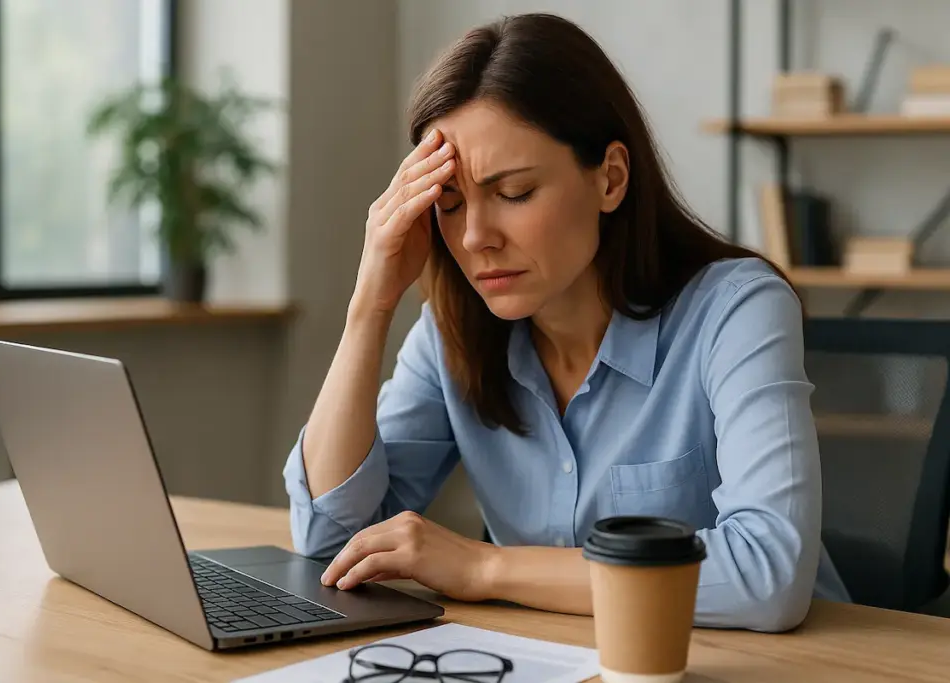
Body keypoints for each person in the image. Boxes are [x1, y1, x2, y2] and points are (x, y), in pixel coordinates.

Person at [282, 12, 850, 632]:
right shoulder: (453, 332)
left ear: (610, 178)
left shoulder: (737, 310)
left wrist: (485, 569)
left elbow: (767, 576)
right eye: (448, 203)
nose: (475, 238)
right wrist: (370, 304)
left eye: (515, 193)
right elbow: (327, 539)